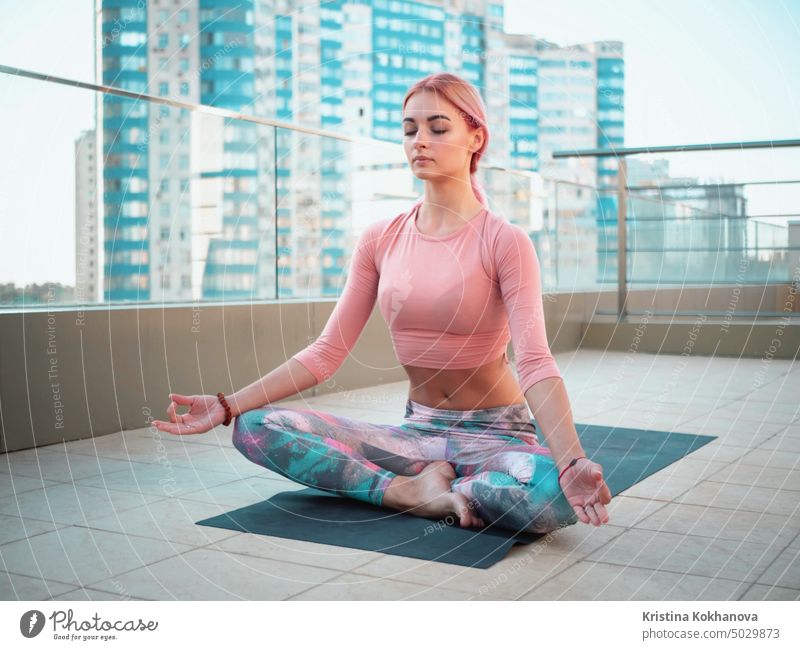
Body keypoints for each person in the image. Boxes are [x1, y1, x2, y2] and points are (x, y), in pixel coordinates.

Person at [152, 72, 612, 533]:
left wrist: (571, 462)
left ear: (476, 137)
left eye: (438, 127)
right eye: (410, 130)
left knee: (553, 493)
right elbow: (326, 353)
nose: (420, 141)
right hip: (416, 436)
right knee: (255, 429)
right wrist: (226, 405)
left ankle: (459, 488)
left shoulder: (506, 241)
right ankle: (408, 492)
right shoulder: (380, 238)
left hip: (497, 435)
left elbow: (534, 362)